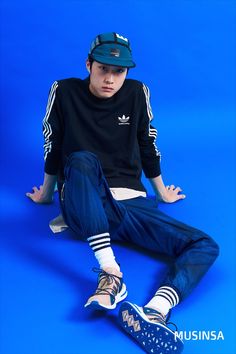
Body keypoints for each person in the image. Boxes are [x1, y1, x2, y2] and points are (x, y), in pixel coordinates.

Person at [26, 32, 219, 354]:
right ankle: (111, 274)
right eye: (103, 69)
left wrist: (161, 192)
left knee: (205, 244)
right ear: (89, 64)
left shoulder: (137, 92)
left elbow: (148, 143)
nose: (110, 78)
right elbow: (53, 145)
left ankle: (156, 311)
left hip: (129, 204)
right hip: (82, 197)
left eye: (119, 71)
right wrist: (47, 193)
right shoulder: (64, 90)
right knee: (82, 158)